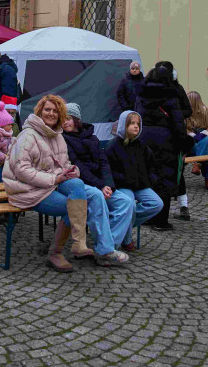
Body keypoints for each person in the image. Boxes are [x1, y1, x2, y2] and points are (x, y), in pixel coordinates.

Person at [3, 95, 126, 271]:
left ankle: (79, 243)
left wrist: (73, 171)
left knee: (77, 185)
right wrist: (55, 179)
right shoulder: (28, 135)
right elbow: (21, 171)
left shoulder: (57, 135)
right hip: (26, 189)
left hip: (49, 184)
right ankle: (55, 253)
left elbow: (65, 163)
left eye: (55, 111)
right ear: (39, 111)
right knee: (73, 206)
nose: (51, 113)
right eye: (47, 109)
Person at [62, 103, 133, 260]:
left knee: (126, 202)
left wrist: (108, 185)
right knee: (97, 197)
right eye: (62, 119)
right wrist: (100, 185)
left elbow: (104, 162)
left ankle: (106, 248)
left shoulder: (92, 137)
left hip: (100, 184)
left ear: (76, 119)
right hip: (82, 183)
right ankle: (105, 250)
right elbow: (78, 166)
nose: (65, 122)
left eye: (68, 118)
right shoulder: (63, 140)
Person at [135, 66, 192, 229]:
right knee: (165, 180)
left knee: (147, 178)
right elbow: (177, 122)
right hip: (165, 141)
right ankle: (160, 221)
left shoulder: (141, 95)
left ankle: (147, 216)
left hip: (143, 139)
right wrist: (185, 143)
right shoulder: (170, 95)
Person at [105, 111, 164, 250]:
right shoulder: (113, 146)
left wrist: (150, 179)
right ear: (123, 125)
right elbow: (109, 171)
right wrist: (125, 180)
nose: (136, 126)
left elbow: (152, 166)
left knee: (157, 203)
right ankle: (125, 240)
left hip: (140, 185)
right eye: (132, 123)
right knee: (129, 204)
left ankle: (124, 225)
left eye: (138, 123)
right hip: (122, 185)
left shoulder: (141, 145)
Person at [185, 91, 208, 190]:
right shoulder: (184, 113)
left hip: (203, 138)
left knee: (207, 141)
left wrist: (202, 135)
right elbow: (181, 127)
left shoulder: (207, 112)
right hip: (189, 142)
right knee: (206, 153)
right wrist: (192, 135)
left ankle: (197, 164)